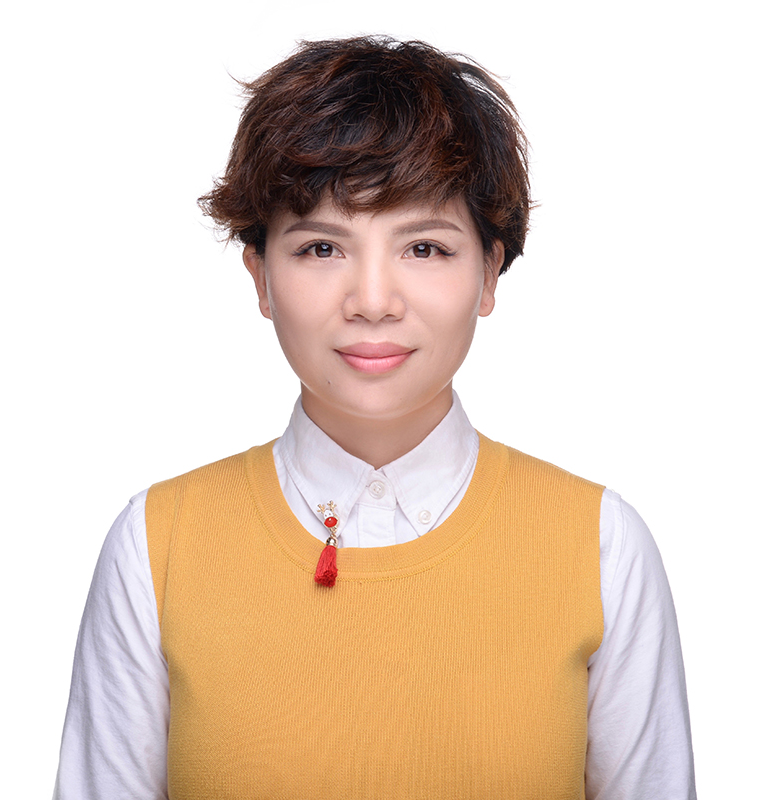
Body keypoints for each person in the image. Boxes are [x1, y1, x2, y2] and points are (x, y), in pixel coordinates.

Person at [54, 36, 696, 799]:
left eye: (424, 248)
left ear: (490, 272)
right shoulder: (156, 547)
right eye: (321, 248)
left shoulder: (602, 548)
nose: (372, 300)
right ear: (259, 278)